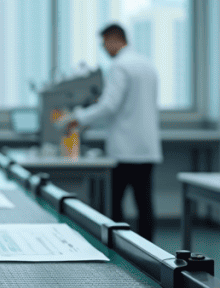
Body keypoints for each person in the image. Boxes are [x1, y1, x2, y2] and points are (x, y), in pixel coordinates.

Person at [61, 24, 162, 241]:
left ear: (115, 39)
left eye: (104, 43)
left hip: (126, 148)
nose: (104, 48)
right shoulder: (147, 65)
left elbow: (110, 106)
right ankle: (150, 251)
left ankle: (119, 250)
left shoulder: (120, 66)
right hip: (147, 146)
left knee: (114, 203)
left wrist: (77, 118)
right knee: (144, 203)